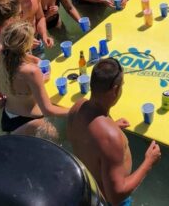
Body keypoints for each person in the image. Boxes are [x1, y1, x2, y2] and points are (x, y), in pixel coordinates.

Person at [67, 58, 161, 205]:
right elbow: (116, 196)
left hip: (89, 190)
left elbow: (85, 140)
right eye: (122, 86)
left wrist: (112, 126)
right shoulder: (110, 137)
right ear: (115, 90)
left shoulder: (77, 107)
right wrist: (149, 161)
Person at [0, 21, 69, 137]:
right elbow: (48, 110)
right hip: (32, 122)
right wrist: (75, 111)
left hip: (8, 119)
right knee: (61, 136)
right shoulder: (32, 72)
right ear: (27, 44)